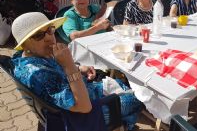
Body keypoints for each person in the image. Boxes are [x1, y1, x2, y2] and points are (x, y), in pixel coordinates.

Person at [11, 12, 142, 130]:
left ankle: (123, 121)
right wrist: (70, 66)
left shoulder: (28, 57)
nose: (49, 38)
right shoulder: (38, 74)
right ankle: (123, 125)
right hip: (83, 116)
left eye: (50, 30)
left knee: (121, 83)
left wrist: (79, 68)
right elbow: (84, 107)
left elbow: (57, 75)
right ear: (24, 45)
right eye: (38, 35)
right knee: (137, 99)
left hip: (82, 94)